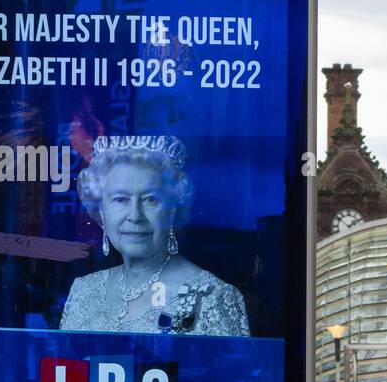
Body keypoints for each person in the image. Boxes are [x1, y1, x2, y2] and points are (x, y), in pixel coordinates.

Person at [61, 134, 250, 335]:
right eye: (120, 199)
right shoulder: (83, 291)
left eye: (151, 200)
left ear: (173, 209)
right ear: (101, 211)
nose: (135, 216)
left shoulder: (211, 297)